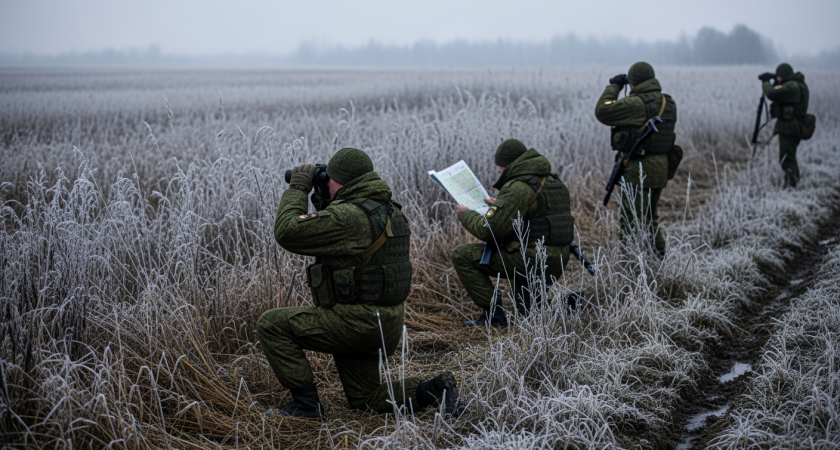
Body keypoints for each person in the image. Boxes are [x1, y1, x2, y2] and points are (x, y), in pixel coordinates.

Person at [258, 148, 462, 419]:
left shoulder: (348, 217)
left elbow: (288, 232)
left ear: (341, 181)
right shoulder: (389, 211)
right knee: (366, 398)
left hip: (355, 323)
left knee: (272, 325)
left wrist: (298, 187)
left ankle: (305, 407)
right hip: (384, 325)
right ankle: (434, 390)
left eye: (327, 178)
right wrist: (323, 196)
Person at [451, 139, 574, 327]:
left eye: (500, 166)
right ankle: (567, 305)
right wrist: (501, 206)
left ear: (509, 165)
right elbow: (535, 215)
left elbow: (490, 230)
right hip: (557, 258)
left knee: (462, 255)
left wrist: (466, 215)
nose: (499, 171)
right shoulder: (552, 181)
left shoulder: (519, 187)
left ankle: (493, 316)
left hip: (532, 259)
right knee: (530, 312)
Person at [594, 61, 680, 257]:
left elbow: (602, 111)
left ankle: (630, 264)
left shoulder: (636, 104)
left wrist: (614, 86)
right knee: (650, 219)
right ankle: (659, 260)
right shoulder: (668, 102)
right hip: (661, 168)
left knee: (629, 221)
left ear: (632, 84)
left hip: (639, 170)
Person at [759, 63, 814, 188]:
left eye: (778, 77)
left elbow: (772, 93)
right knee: (789, 157)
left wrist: (766, 82)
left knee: (786, 159)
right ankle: (794, 183)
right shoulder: (794, 84)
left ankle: (791, 186)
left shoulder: (792, 86)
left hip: (790, 128)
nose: (777, 79)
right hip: (791, 127)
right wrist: (775, 82)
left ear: (783, 76)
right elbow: (778, 89)